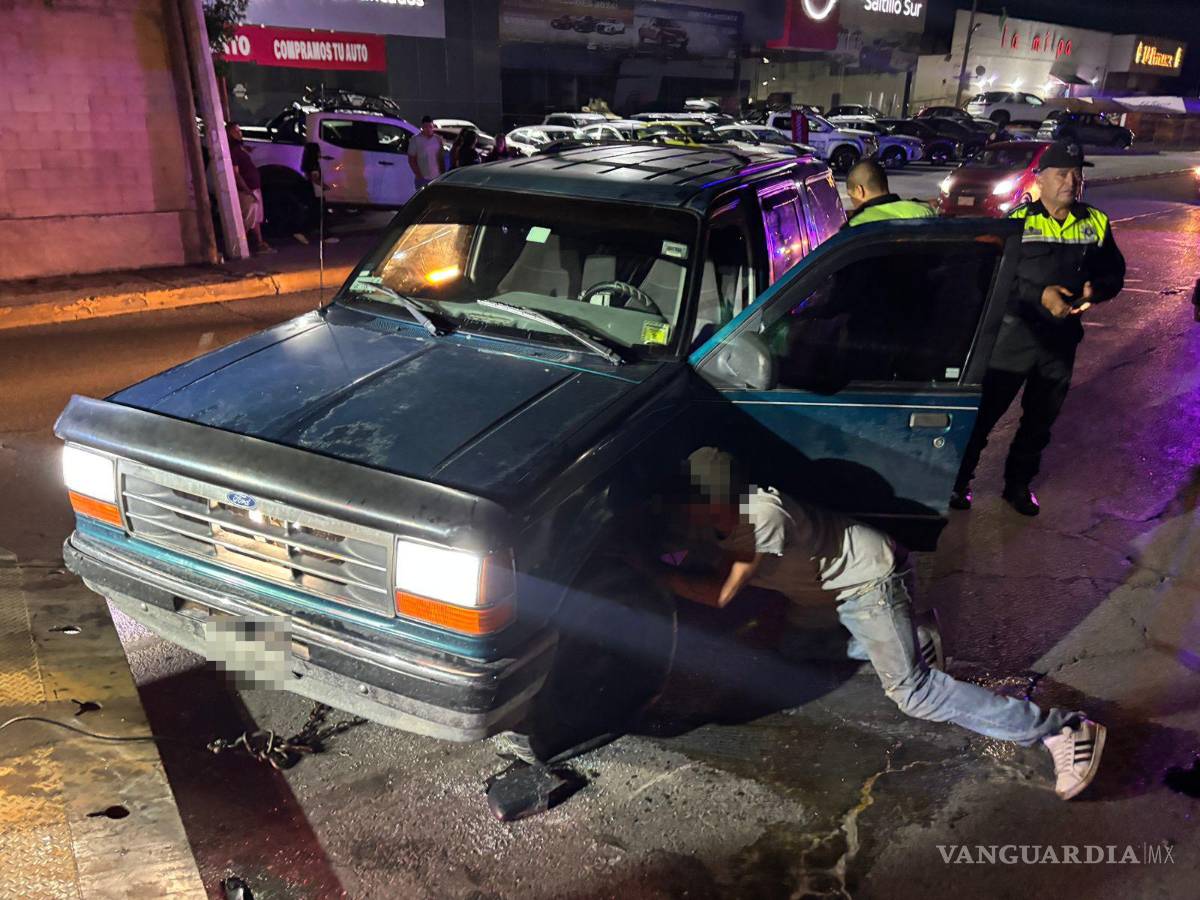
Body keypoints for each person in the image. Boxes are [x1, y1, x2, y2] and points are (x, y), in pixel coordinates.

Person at [639, 448, 1106, 801]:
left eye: (688, 499)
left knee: (913, 694)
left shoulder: (762, 517)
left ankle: (1059, 729)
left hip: (870, 584)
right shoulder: (718, 515)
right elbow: (699, 551)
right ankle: (915, 637)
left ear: (713, 498)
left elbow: (719, 594)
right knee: (799, 650)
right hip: (829, 597)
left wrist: (649, 573)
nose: (682, 508)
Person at [951, 141, 1125, 515]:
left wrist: (1099, 289)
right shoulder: (1018, 222)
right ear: (1040, 180)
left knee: (1039, 421)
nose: (1072, 181)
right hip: (1012, 339)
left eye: (1077, 173)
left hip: (1059, 344)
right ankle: (958, 482)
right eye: (1062, 173)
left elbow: (1114, 272)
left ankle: (1017, 485)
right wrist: (1039, 294)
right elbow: (992, 276)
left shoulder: (1095, 221)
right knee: (984, 417)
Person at [844, 159, 937, 226]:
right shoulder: (925, 211)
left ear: (860, 191)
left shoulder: (856, 225)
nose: (853, 203)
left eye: (851, 196)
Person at [224, 123, 272, 253]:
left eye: (240, 130)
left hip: (254, 188)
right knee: (247, 219)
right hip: (247, 191)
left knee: (256, 218)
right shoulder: (233, 151)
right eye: (236, 131)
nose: (240, 133)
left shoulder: (240, 149)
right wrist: (246, 190)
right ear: (229, 134)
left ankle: (260, 242)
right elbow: (236, 174)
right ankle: (237, 248)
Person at [408, 115, 445, 188]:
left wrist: (442, 174)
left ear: (433, 126)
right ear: (422, 127)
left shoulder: (438, 139)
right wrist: (419, 175)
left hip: (436, 177)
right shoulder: (415, 140)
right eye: (425, 127)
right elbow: (411, 159)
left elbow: (441, 157)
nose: (428, 129)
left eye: (430, 127)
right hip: (423, 178)